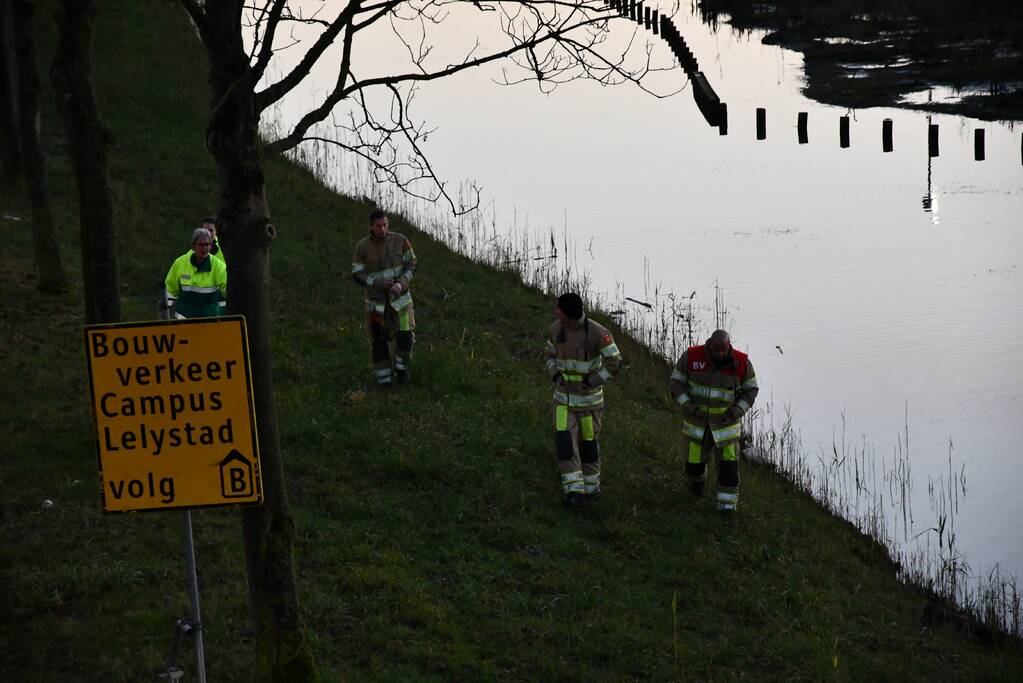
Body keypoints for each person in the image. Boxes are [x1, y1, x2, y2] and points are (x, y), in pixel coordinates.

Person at [544, 293, 623, 507]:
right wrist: (555, 375)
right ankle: (573, 491)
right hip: (562, 401)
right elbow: (549, 355)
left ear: (568, 313)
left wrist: (593, 381)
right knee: (564, 444)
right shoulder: (555, 329)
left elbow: (614, 363)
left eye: (558, 308)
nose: (555, 312)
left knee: (588, 445)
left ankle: (591, 489)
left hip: (589, 404)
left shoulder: (598, 333)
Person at [669, 330, 759, 516]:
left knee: (729, 473)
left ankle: (726, 511)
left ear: (729, 346)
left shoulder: (741, 363)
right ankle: (697, 486)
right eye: (716, 350)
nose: (720, 354)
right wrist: (689, 407)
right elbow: (676, 383)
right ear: (709, 344)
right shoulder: (692, 357)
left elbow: (751, 390)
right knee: (693, 467)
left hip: (726, 431)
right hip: (697, 428)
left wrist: (736, 411)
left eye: (723, 350)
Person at [351, 209, 417, 386]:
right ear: (371, 226)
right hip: (375, 304)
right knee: (378, 342)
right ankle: (384, 381)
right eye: (378, 226)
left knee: (405, 336)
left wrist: (400, 284)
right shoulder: (362, 247)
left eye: (385, 225)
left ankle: (402, 373)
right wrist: (376, 282)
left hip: (401, 300)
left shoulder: (401, 240)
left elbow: (412, 264)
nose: (382, 229)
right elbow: (357, 274)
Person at [164, 228, 227, 319]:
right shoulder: (180, 263)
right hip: (184, 319)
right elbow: (171, 289)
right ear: (193, 246)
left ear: (210, 246)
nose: (204, 248)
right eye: (201, 245)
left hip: (209, 320)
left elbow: (228, 289)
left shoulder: (218, 266)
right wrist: (165, 309)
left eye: (207, 244)